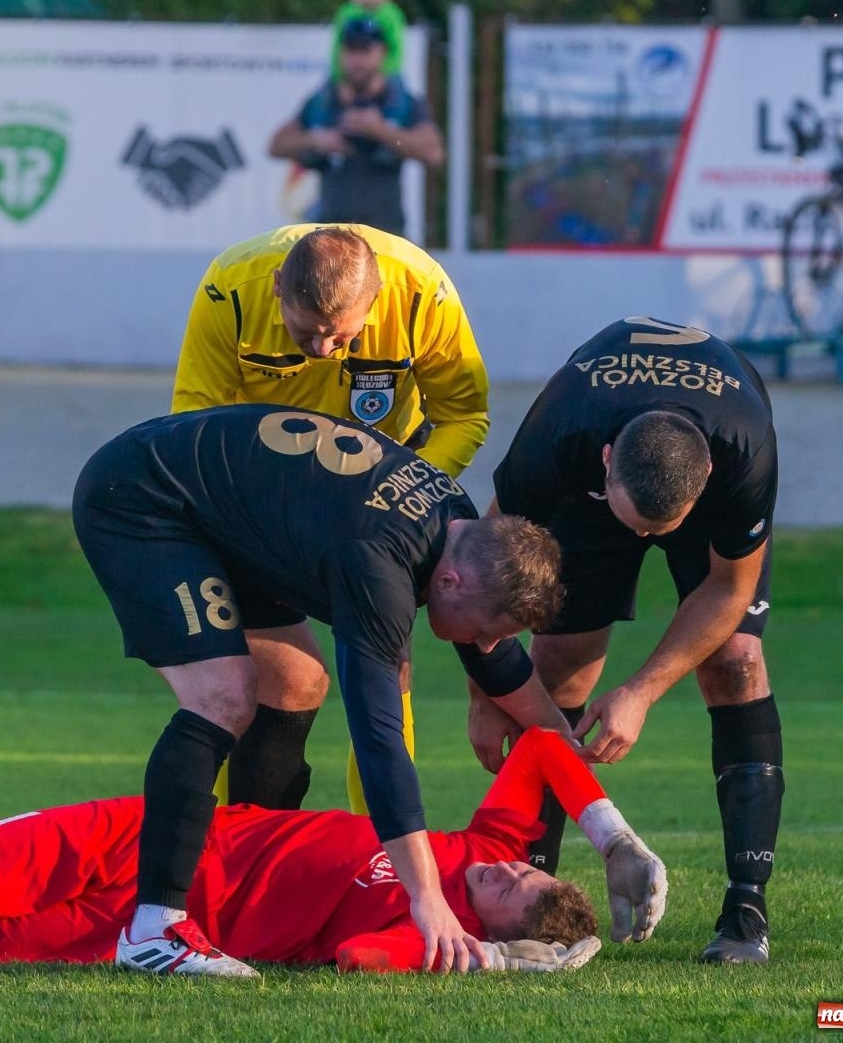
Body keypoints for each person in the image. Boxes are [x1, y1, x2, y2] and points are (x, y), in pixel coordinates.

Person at [70, 403, 577, 976]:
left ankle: (236, 881)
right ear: (451, 583)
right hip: (142, 499)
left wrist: (574, 768)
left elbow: (497, 660)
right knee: (222, 696)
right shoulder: (380, 568)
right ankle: (154, 928)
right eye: (487, 631)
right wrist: (427, 897)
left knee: (297, 680)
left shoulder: (461, 529)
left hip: (218, 504)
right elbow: (379, 739)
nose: (485, 646)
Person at [0, 729, 666, 975]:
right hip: (151, 840)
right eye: (532, 869)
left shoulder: (422, 927)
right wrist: (610, 836)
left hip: (148, 927)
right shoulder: (481, 840)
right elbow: (535, 746)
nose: (512, 871)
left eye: (515, 895)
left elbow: (352, 965)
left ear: (494, 928)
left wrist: (494, 959)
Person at [476, 316, 780, 965]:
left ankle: (746, 913)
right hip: (589, 498)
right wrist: (484, 694)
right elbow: (486, 568)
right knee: (556, 668)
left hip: (687, 464)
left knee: (737, 661)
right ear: (607, 462)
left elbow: (728, 591)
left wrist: (641, 692)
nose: (644, 541)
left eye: (658, 529)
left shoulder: (743, 449)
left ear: (706, 482)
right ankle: (533, 906)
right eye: (635, 526)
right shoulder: (561, 428)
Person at [173, 224, 490, 817]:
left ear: (376, 302)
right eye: (304, 332)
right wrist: (256, 513)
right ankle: (221, 849)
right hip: (260, 502)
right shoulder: (229, 289)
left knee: (387, 678)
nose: (321, 349)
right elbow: (193, 425)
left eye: (339, 336)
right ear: (274, 290)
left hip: (374, 506)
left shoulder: (424, 294)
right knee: (252, 685)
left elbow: (464, 416)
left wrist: (400, 495)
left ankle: (383, 861)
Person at [269, 17, 442, 237]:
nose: (358, 60)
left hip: (385, 234)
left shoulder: (401, 104)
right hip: (331, 236)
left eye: (365, 51)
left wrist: (380, 130)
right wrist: (316, 139)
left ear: (382, 53)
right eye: (351, 51)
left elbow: (433, 153)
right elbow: (276, 145)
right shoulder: (324, 102)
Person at [330, 0, 407, 81]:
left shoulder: (391, 15)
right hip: (349, 76)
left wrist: (382, 76)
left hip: (384, 77)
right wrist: (339, 79)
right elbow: (337, 50)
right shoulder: (345, 13)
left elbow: (396, 52)